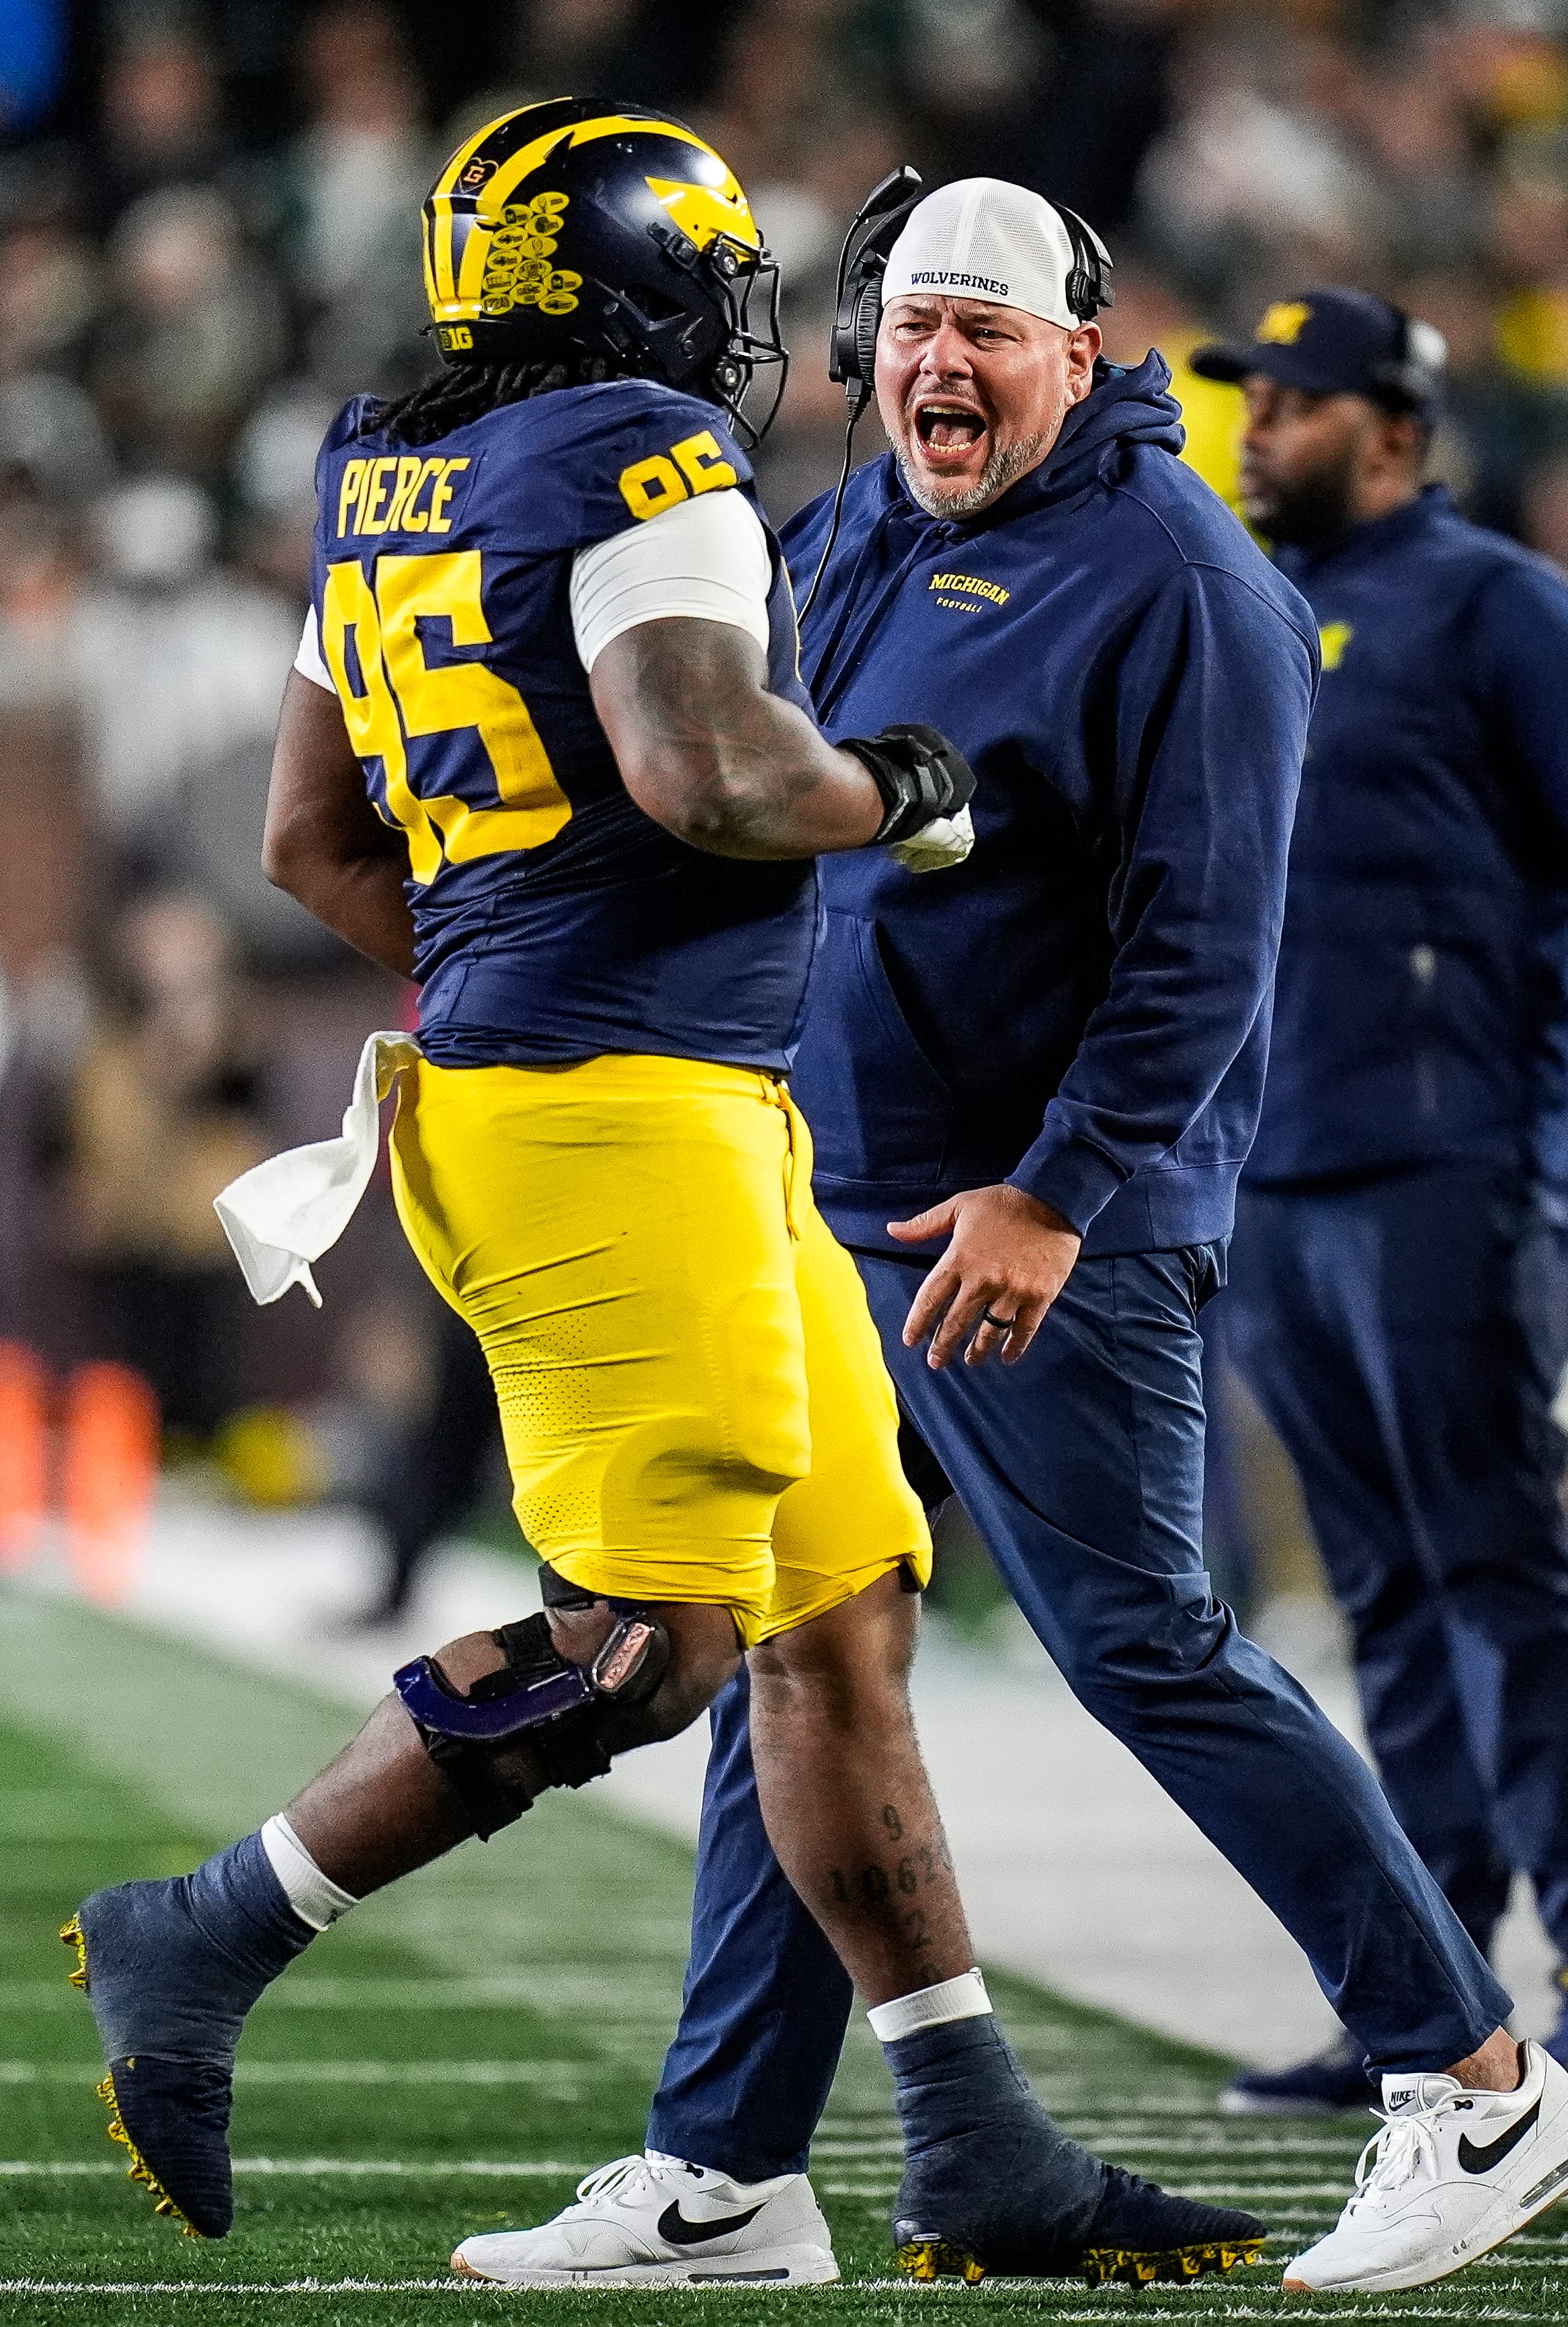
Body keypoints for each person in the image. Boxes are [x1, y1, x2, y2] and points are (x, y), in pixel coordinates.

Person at [60, 104, 1264, 2295]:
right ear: (630, 275)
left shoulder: (381, 463)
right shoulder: (636, 454)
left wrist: (506, 964)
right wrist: (893, 792)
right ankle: (206, 1931)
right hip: (621, 1117)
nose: (735, 328)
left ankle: (971, 2138)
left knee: (837, 1610)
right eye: (710, 277)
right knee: (652, 1645)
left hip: (627, 1097)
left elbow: (308, 842)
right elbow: (707, 767)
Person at [484, 184, 1568, 2301]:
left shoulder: (1185, 580)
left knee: (1146, 1643)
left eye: (985, 331)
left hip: (1026, 1224)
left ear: (1083, 348)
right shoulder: (865, 519)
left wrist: (1062, 1191)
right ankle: (728, 2167)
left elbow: (1209, 949)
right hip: (841, 1195)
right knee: (796, 1668)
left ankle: (1477, 2074)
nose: (939, 367)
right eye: (908, 327)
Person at [1181, 290, 1568, 2118]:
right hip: (1285, 1170)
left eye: (1296, 399)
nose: (1259, 424)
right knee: (1389, 1602)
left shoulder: (1496, 603)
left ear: (1396, 424)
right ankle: (1437, 1997)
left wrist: (1544, 1151)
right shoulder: (1251, 606)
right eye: (1251, 396)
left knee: (1499, 1579)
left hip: (1445, 1161)